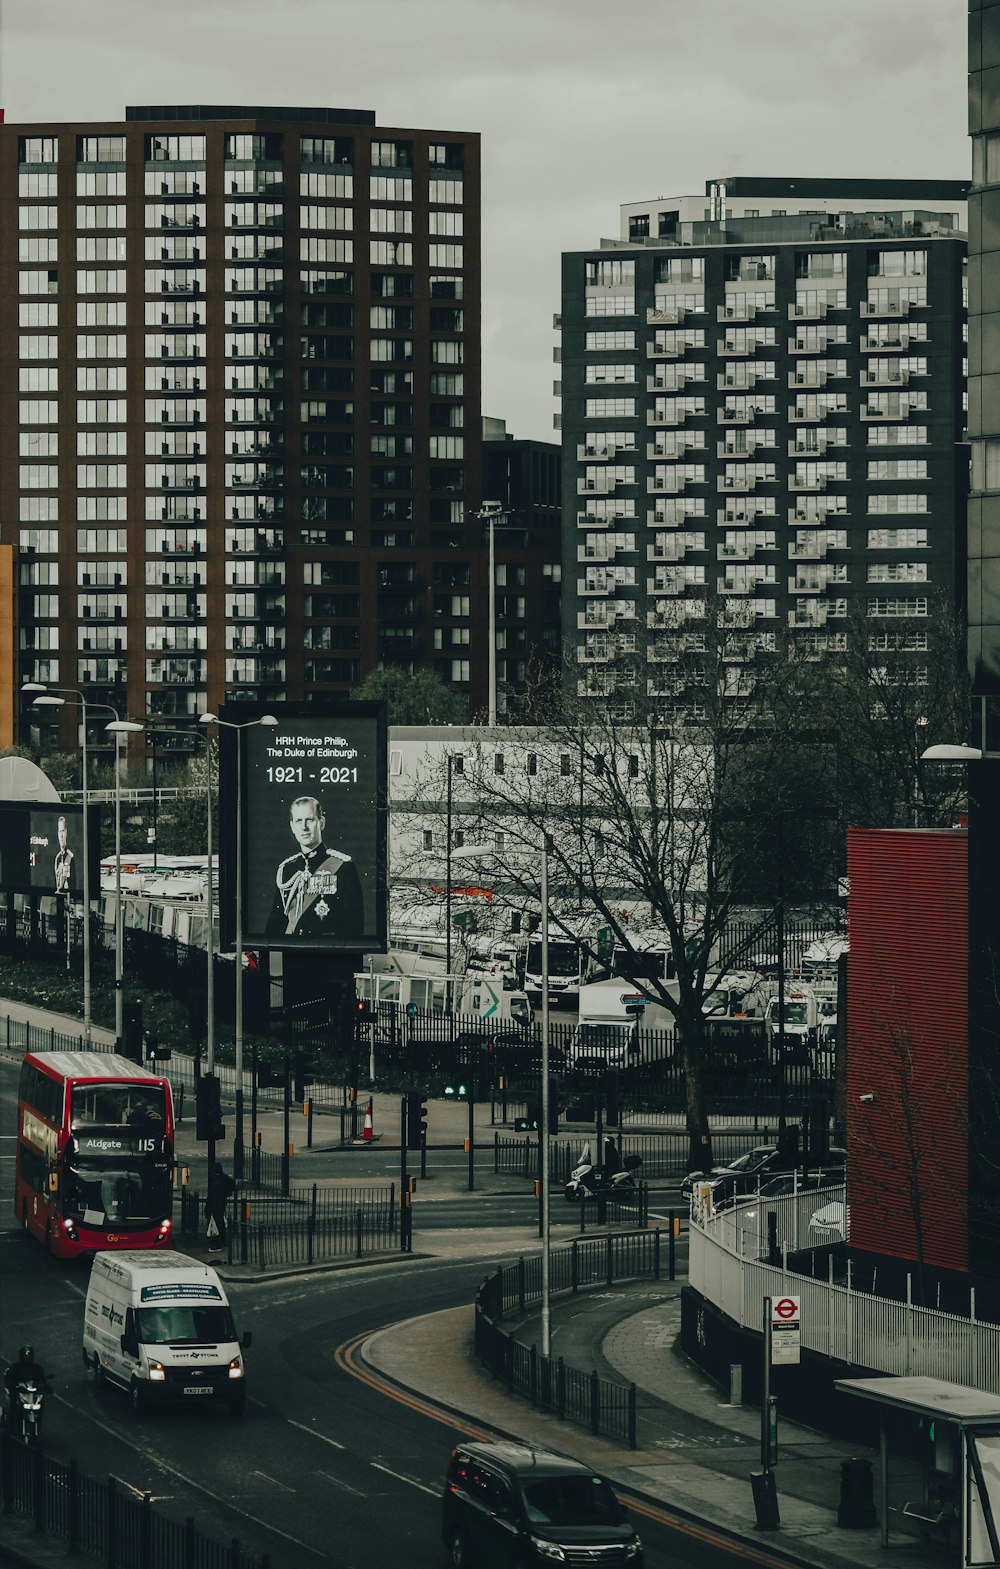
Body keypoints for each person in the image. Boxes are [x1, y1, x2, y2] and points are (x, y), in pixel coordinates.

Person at [266, 795, 364, 939]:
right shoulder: (287, 869)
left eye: (309, 820)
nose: (304, 827)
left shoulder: (343, 867)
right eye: (299, 821)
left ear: (321, 823)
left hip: (328, 956)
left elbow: (353, 927)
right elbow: (275, 924)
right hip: (293, 956)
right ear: (292, 826)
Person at [2, 1345, 48, 1424]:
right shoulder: (15, 1368)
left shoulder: (37, 1368)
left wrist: (44, 1386)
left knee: (41, 1401)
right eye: (25, 1355)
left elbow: (42, 1380)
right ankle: (11, 1420)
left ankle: (38, 1419)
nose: (27, 1358)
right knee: (13, 1403)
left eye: (29, 1355)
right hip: (20, 1393)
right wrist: (15, 1385)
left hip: (32, 1395)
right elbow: (8, 1379)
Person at [205, 1161, 234, 1252]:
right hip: (221, 1204)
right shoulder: (224, 1178)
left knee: (216, 1225)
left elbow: (211, 1196)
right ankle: (223, 1241)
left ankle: (217, 1243)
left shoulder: (215, 1181)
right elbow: (231, 1185)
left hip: (215, 1205)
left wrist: (208, 1208)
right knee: (220, 1223)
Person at [54, 815, 73, 894]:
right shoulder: (57, 857)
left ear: (66, 832)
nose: (61, 836)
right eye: (59, 831)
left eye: (63, 831)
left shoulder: (70, 856)